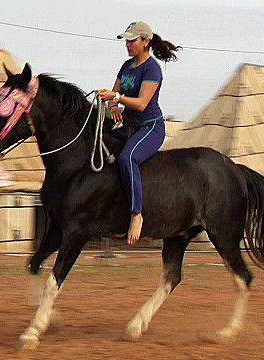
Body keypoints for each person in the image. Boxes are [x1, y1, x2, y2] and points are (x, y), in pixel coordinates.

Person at [98, 21, 181, 245]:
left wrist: (116, 99)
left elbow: (143, 103)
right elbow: (115, 93)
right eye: (126, 40)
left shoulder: (151, 69)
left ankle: (136, 214)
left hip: (150, 127)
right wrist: (113, 105)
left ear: (145, 42)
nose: (128, 44)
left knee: (127, 157)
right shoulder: (126, 66)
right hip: (129, 125)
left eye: (132, 40)